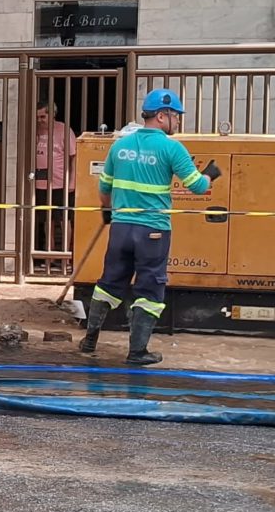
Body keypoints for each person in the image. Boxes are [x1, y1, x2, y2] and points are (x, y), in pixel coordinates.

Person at [79, 88, 220, 365]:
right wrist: (212, 174)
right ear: (161, 115)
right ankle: (137, 352)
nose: (178, 122)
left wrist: (108, 212)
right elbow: (197, 186)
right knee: (150, 289)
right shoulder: (172, 148)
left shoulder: (119, 146)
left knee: (109, 283)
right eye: (176, 116)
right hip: (152, 231)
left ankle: (89, 340)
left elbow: (103, 187)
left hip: (120, 228)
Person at [34, 101, 77, 261]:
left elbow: (74, 157)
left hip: (60, 183)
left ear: (52, 114)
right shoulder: (35, 130)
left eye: (43, 116)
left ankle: (65, 256)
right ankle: (49, 256)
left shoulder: (63, 130)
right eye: (37, 117)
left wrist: (72, 180)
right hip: (40, 183)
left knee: (63, 219)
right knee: (46, 220)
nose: (40, 120)